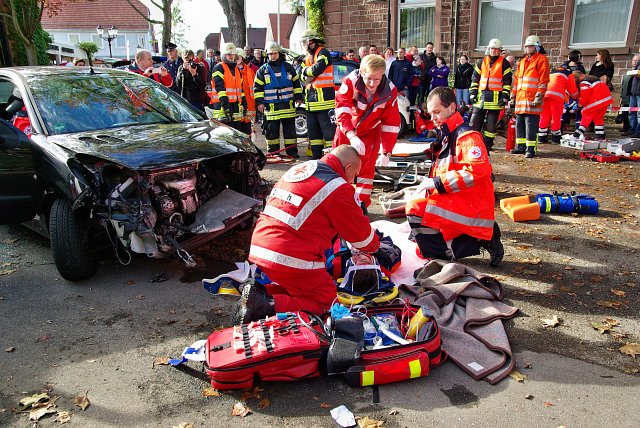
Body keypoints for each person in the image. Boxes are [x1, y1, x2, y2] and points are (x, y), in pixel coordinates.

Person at [235, 145, 381, 323]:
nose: (353, 180)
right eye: (355, 175)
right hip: (290, 255)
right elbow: (364, 240)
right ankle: (264, 304)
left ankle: (257, 293)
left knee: (297, 290)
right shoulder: (338, 187)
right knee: (326, 304)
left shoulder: (301, 169)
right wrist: (374, 241)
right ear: (348, 167)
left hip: (262, 244)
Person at [405, 87, 504, 266]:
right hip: (457, 203)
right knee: (420, 250)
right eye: (431, 113)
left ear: (451, 108)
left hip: (468, 206)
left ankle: (443, 258)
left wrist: (436, 182)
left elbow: (476, 172)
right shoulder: (447, 135)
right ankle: (479, 238)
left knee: (415, 209)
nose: (433, 118)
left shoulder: (466, 137)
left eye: (437, 112)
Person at [333, 54, 400, 208]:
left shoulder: (390, 91)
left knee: (366, 172)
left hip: (370, 132)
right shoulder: (350, 82)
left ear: (383, 75)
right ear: (362, 72)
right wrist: (351, 135)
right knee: (339, 167)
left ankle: (361, 205)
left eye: (377, 79)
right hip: (346, 131)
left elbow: (391, 124)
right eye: (369, 78)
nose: (372, 83)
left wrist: (387, 152)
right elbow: (342, 111)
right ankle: (337, 204)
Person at [253, 42, 303, 157]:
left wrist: (299, 97)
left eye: (275, 53)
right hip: (271, 109)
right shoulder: (262, 70)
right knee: (272, 133)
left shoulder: (288, 67)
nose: (272, 56)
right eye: (270, 54)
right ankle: (274, 153)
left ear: (279, 53)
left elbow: (296, 84)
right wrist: (259, 103)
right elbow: (257, 88)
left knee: (290, 133)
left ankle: (292, 152)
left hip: (288, 107)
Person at [469, 39, 512, 151]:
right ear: (489, 49)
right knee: (474, 123)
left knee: (491, 125)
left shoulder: (504, 63)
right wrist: (473, 93)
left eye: (496, 49)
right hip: (481, 98)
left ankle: (487, 145)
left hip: (495, 99)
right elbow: (475, 78)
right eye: (492, 49)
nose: (494, 51)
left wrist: (505, 96)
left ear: (499, 50)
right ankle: (473, 143)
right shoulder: (482, 62)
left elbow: (507, 81)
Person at [510, 35, 549, 159]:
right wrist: (513, 96)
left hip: (532, 99)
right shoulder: (522, 62)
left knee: (531, 125)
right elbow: (517, 81)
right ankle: (520, 147)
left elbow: (543, 80)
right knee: (520, 124)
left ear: (536, 47)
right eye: (526, 46)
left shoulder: (541, 60)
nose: (527, 48)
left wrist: (539, 97)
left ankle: (531, 149)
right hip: (521, 99)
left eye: (530, 46)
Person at [300, 29, 336, 159]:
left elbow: (316, 69)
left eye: (305, 42)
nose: (304, 45)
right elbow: (302, 76)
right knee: (314, 135)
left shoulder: (324, 53)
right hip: (311, 104)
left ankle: (331, 158)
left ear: (312, 41)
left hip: (325, 103)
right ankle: (316, 158)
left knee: (328, 134)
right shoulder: (307, 57)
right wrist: (306, 73)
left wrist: (306, 71)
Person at [538, 66, 578, 144]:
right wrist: (577, 96)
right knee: (556, 117)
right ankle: (555, 138)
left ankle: (541, 137)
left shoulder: (551, 73)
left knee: (544, 116)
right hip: (556, 96)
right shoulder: (568, 74)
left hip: (544, 94)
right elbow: (573, 91)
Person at [210, 42, 246, 131]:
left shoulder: (237, 69)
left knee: (236, 134)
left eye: (232, 54)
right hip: (222, 108)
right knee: (224, 135)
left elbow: (240, 89)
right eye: (228, 54)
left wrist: (244, 104)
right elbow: (220, 88)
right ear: (224, 55)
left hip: (236, 109)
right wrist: (225, 106)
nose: (231, 56)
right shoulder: (219, 68)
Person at [573, 72, 613, 140]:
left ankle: (577, 134)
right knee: (598, 118)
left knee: (586, 116)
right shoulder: (593, 78)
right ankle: (601, 135)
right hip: (606, 100)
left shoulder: (584, 82)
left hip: (596, 101)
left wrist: (580, 104)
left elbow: (585, 95)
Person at [236, 48, 256, 135]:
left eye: (238, 57)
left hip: (249, 108)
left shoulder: (250, 72)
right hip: (236, 108)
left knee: (248, 134)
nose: (236, 59)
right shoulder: (230, 71)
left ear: (243, 57)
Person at [625, 55, 640, 137]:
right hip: (633, 92)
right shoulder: (634, 69)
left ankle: (638, 131)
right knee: (632, 112)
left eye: (637, 60)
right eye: (634, 60)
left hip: (639, 93)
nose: (635, 62)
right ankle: (632, 130)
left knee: (639, 113)